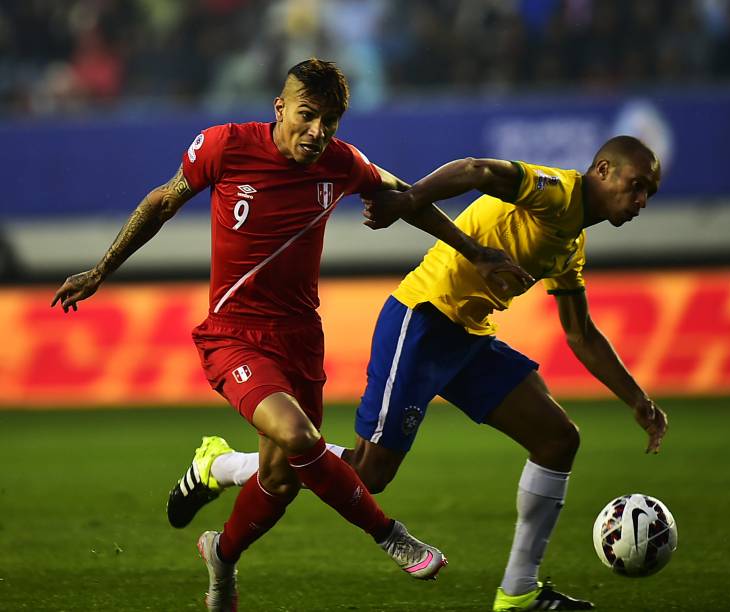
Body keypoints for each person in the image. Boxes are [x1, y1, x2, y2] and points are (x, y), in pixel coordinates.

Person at [51, 59, 534, 612]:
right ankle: (391, 536)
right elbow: (162, 201)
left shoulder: (341, 163)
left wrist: (477, 252)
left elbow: (406, 198)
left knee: (279, 481)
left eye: (329, 121)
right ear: (280, 108)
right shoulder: (225, 145)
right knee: (302, 440)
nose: (317, 131)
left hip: (301, 340)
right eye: (307, 115)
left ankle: (221, 556)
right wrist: (100, 270)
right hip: (233, 335)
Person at [165, 135, 669, 610]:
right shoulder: (557, 191)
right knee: (368, 475)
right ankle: (223, 465)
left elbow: (581, 334)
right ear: (602, 170)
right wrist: (407, 202)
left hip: (468, 338)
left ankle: (519, 593)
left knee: (558, 439)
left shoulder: (571, 242)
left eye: (649, 193)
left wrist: (636, 399)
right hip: (423, 319)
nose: (642, 200)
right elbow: (475, 170)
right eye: (636, 185)